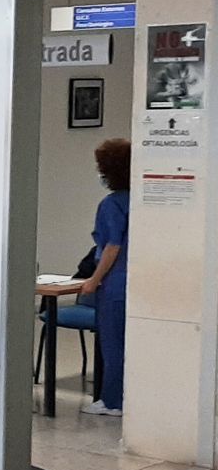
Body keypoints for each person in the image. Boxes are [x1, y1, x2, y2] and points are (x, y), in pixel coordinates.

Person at [80, 138, 131, 416]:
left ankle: (113, 402)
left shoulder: (111, 204)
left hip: (115, 284)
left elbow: (112, 246)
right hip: (135, 281)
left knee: (113, 346)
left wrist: (93, 280)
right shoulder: (142, 200)